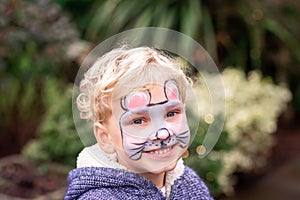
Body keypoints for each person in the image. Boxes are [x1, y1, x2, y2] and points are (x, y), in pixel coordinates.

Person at [64, 45, 213, 200]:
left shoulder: (190, 183)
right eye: (139, 120)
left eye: (171, 113)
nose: (162, 133)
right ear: (105, 137)